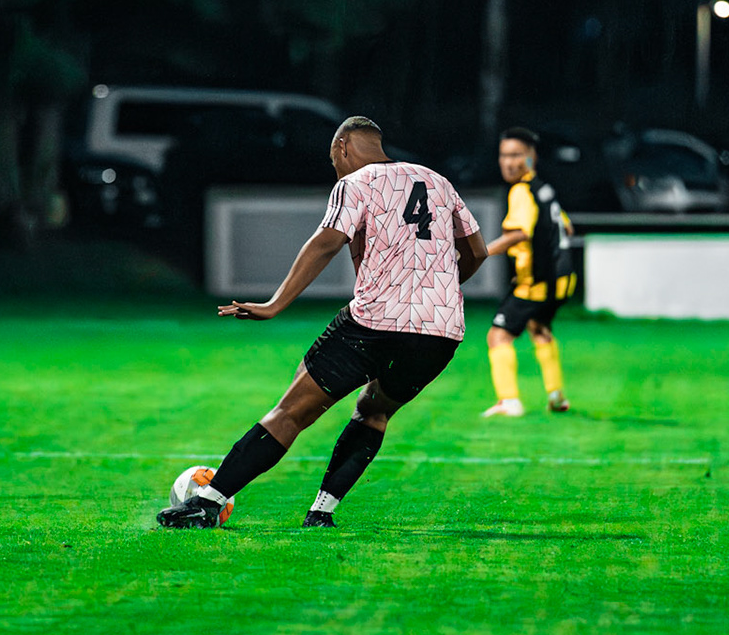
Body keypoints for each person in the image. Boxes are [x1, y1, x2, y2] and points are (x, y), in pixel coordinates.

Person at [157, 116, 489, 529]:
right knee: (374, 411)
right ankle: (322, 512)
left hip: (374, 322)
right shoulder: (438, 181)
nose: (335, 168)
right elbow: (477, 251)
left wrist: (275, 304)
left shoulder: (354, 182)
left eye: (333, 160)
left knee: (292, 411)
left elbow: (327, 240)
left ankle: (207, 502)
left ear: (342, 147)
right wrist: (437, 291)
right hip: (440, 333)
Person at [482, 126, 576, 417]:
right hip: (563, 279)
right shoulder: (543, 188)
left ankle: (509, 401)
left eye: (516, 156)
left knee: (498, 336)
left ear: (531, 157)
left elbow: (519, 232)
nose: (508, 162)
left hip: (536, 282)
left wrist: (483, 252)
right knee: (540, 329)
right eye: (504, 155)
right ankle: (557, 396)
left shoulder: (522, 191)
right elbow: (567, 227)